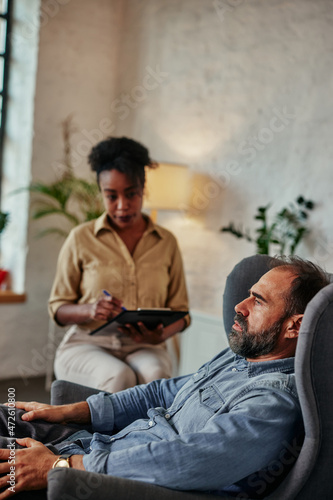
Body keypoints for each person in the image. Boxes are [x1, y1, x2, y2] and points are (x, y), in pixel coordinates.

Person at [0, 256, 329, 499]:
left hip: (98, 482)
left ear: (295, 326)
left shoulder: (272, 402)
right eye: (247, 294)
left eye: (257, 301)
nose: (239, 307)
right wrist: (73, 411)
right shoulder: (243, 355)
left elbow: (189, 459)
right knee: (8, 414)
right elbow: (162, 392)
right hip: (98, 444)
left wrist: (62, 467)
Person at [48, 136, 190, 392]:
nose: (122, 206)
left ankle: (154, 434)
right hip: (87, 343)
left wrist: (160, 335)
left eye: (131, 194)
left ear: (143, 188)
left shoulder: (166, 242)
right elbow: (58, 308)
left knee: (157, 376)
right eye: (111, 196)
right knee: (119, 377)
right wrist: (90, 310)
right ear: (101, 193)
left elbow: (182, 312)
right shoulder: (81, 238)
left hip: (146, 346)